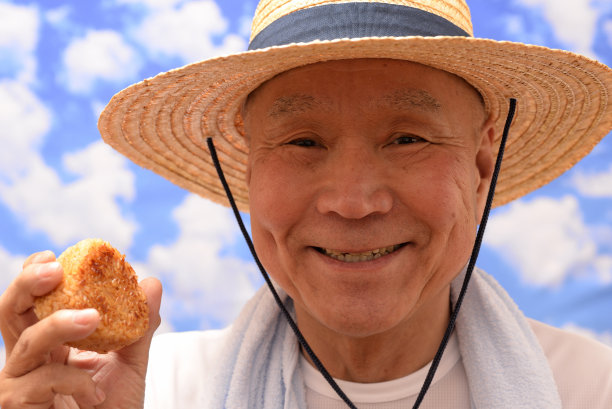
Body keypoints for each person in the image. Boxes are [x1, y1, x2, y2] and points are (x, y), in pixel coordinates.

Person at [1, 0, 611, 408]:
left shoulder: (589, 388)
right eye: (302, 141)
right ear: (248, 167)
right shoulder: (153, 392)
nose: (353, 202)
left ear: (481, 163)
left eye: (407, 138)